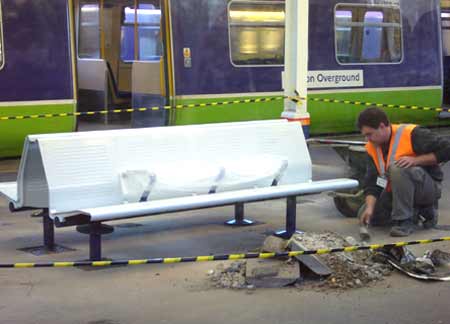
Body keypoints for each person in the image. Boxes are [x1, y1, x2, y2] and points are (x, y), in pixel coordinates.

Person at [357, 107, 450, 237]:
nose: (368, 139)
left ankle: (404, 221)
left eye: (369, 134)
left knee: (398, 168)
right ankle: (420, 211)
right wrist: (369, 208)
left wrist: (417, 160)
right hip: (396, 192)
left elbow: (447, 149)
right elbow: (373, 182)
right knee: (368, 215)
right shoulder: (372, 148)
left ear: (382, 126)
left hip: (427, 189)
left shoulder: (412, 134)